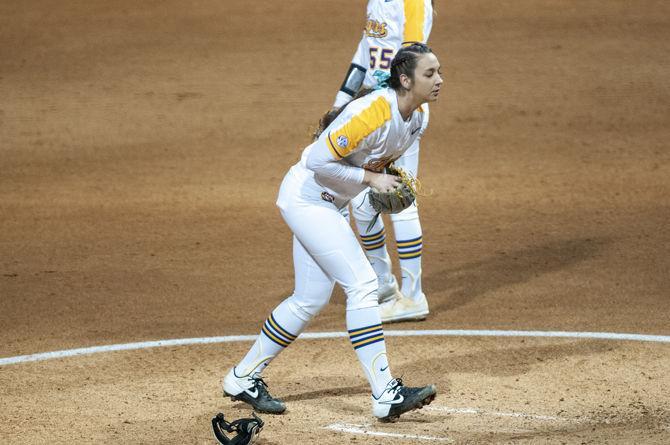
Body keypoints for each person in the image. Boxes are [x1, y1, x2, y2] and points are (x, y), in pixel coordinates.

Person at [222, 43, 443, 422]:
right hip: (306, 199)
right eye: (429, 74)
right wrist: (371, 177)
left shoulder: (417, 118)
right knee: (362, 285)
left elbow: (375, 167)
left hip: (330, 205)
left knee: (309, 298)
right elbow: (315, 159)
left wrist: (378, 186)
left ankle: (242, 378)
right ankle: (385, 393)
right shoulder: (372, 112)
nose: (439, 80)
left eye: (439, 72)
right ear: (405, 80)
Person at [333, 0, 435, 323]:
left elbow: (413, 60)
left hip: (399, 108)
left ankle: (414, 296)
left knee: (400, 198)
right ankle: (384, 287)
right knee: (363, 200)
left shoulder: (413, 3)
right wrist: (340, 104)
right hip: (373, 109)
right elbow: (364, 55)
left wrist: (389, 102)